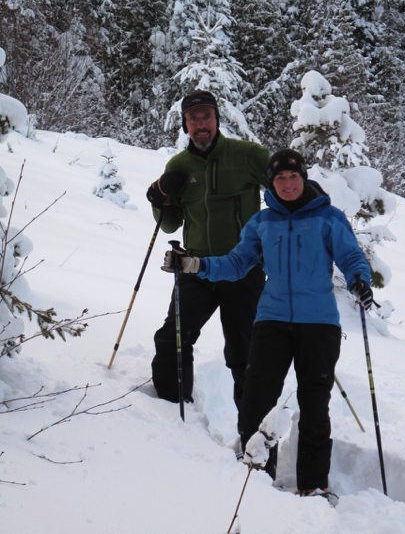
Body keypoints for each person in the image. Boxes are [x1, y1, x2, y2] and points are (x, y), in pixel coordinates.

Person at [164, 148, 373, 503]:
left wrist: (359, 279)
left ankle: (314, 485)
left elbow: (351, 256)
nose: (287, 184)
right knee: (257, 398)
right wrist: (195, 266)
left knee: (314, 402)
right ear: (271, 183)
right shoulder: (262, 223)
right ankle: (256, 473)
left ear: (303, 178)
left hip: (319, 324)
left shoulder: (328, 217)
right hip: (271, 321)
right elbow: (235, 263)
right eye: (279, 178)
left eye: (293, 177)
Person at [146, 89, 269, 413]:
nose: (201, 124)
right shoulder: (179, 165)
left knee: (245, 355)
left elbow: (285, 187)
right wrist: (159, 200)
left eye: (206, 117)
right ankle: (173, 414)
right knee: (171, 340)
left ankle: (253, 437)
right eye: (194, 119)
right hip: (196, 268)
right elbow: (171, 224)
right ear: (185, 124)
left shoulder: (248, 155)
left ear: (217, 119)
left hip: (243, 269)